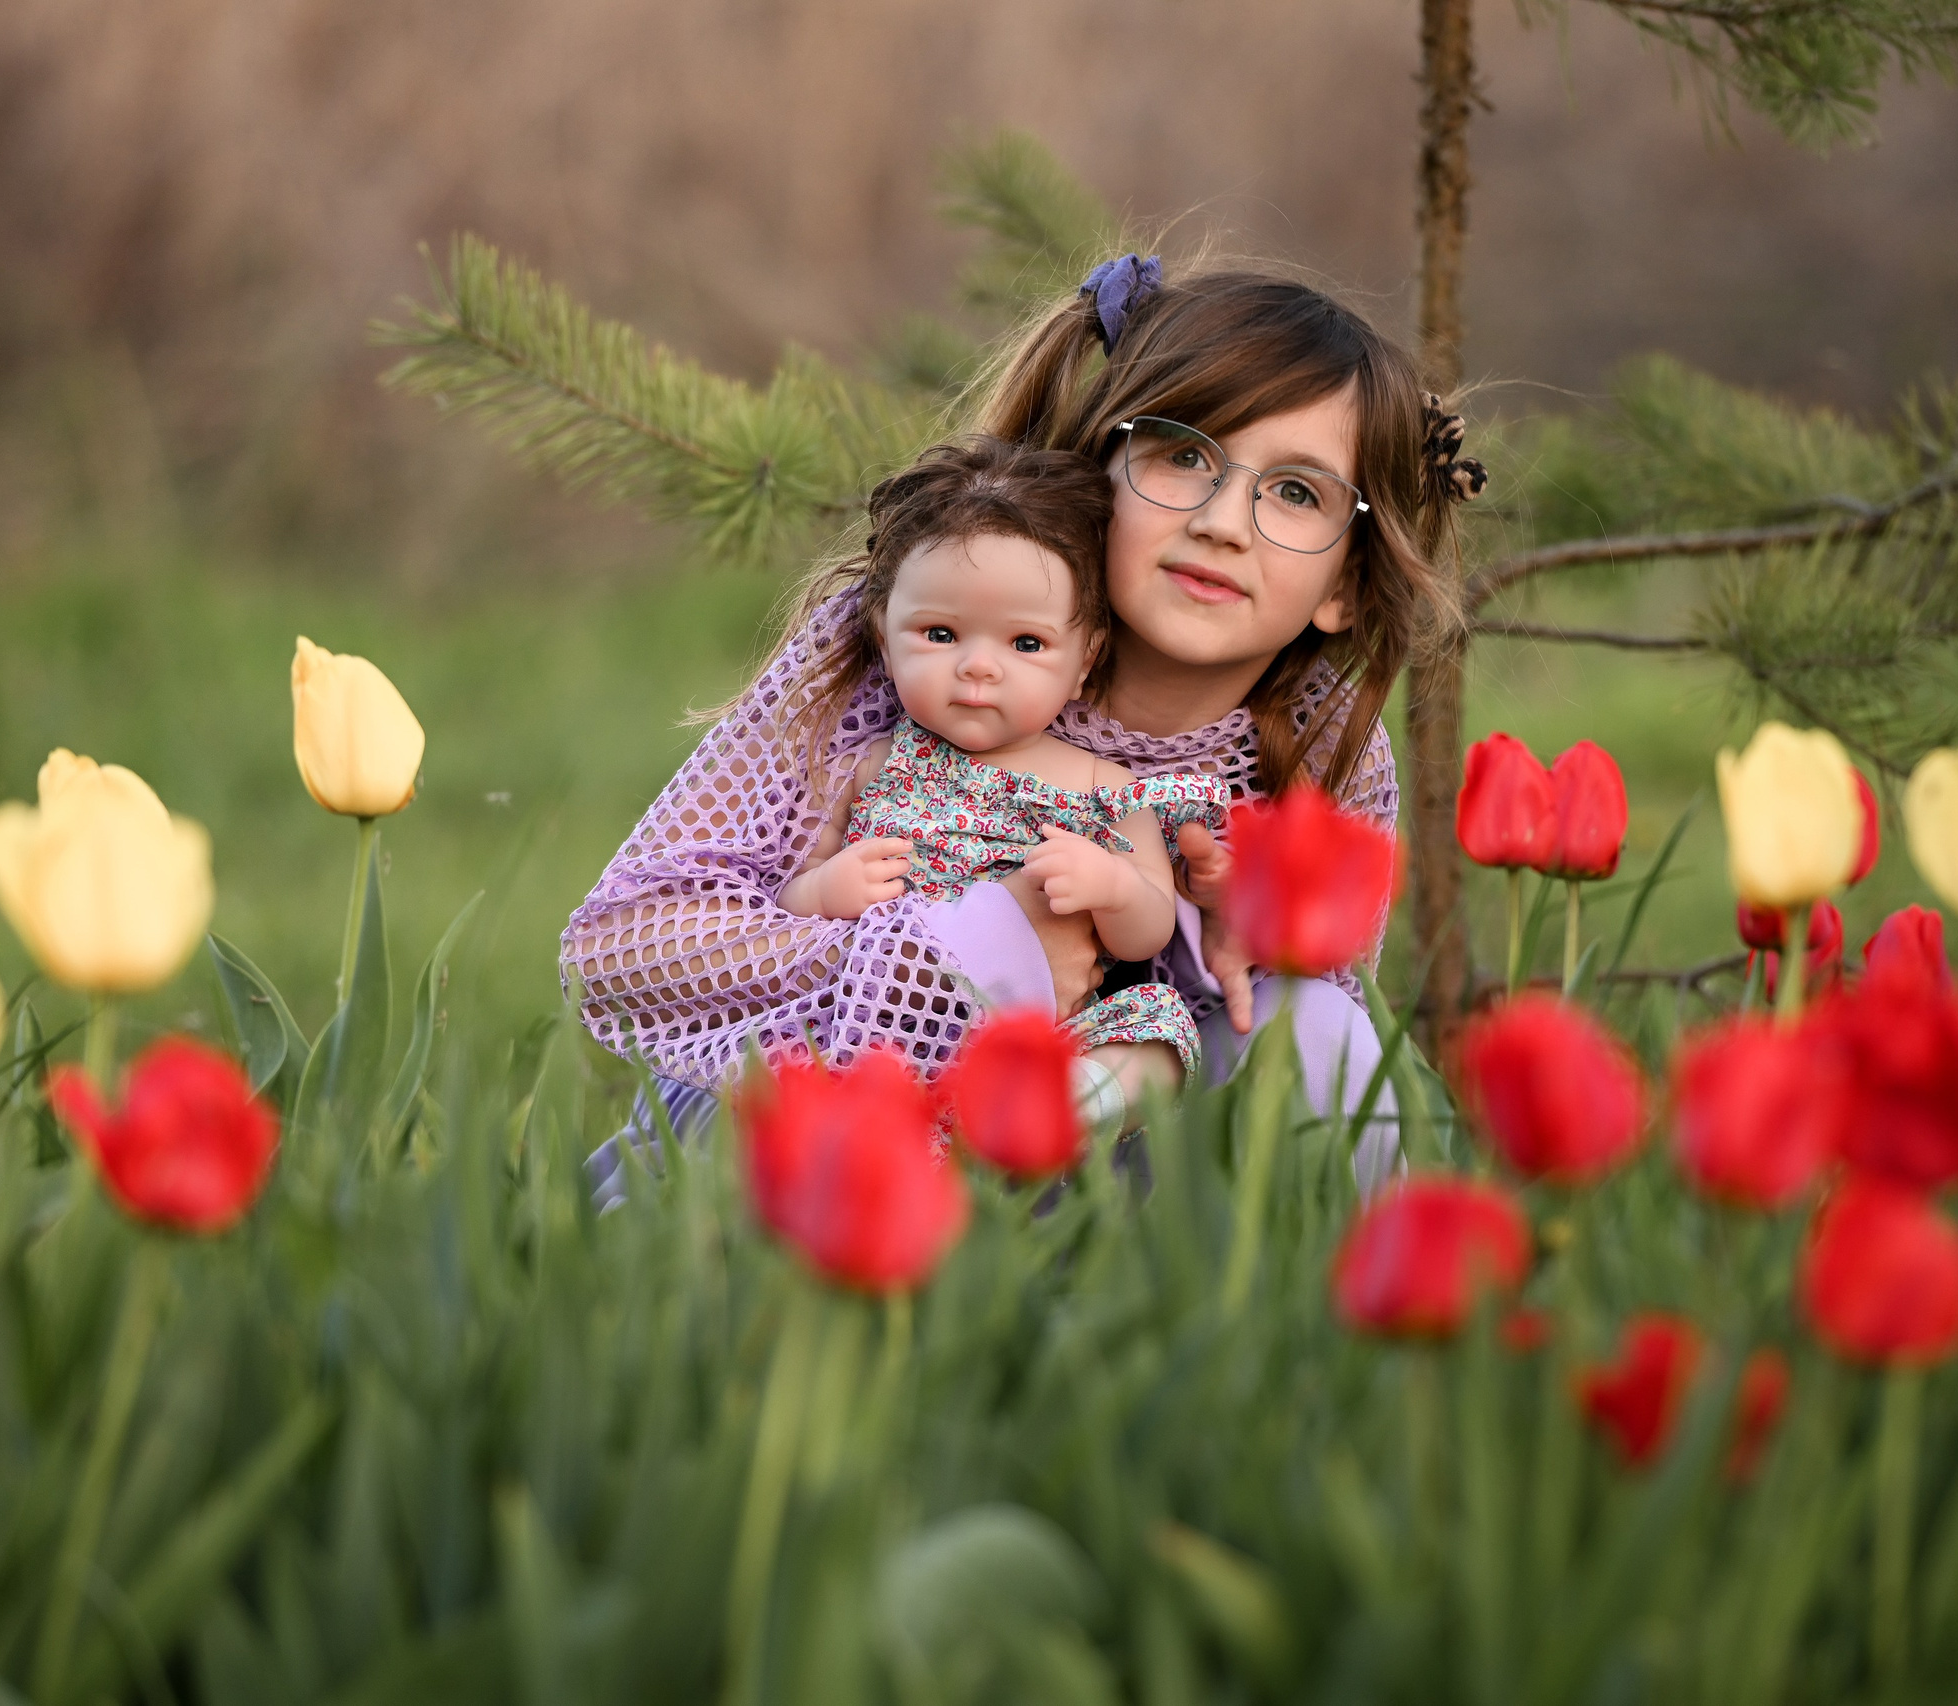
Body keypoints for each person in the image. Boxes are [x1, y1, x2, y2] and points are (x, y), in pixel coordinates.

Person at [566, 254, 1479, 1199]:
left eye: (1296, 492)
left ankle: (1260, 1319)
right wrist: (957, 953)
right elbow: (623, 949)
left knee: (1320, 1031)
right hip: (823, 1105)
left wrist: (1227, 937)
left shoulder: (1322, 741)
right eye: (1184, 453)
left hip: (1098, 1147)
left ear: (1345, 584)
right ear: (1101, 468)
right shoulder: (930, 640)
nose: (1223, 522)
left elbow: (1298, 1022)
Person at [772, 437, 1228, 1109]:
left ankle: (1078, 1107)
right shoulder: (869, 765)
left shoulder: (1107, 788)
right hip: (890, 1031)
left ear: (1084, 661)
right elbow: (784, 898)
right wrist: (826, 890)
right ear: (883, 633)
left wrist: (1111, 887)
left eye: (1025, 644)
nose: (979, 667)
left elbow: (1150, 930)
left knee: (1157, 1026)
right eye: (940, 634)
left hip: (1050, 1039)